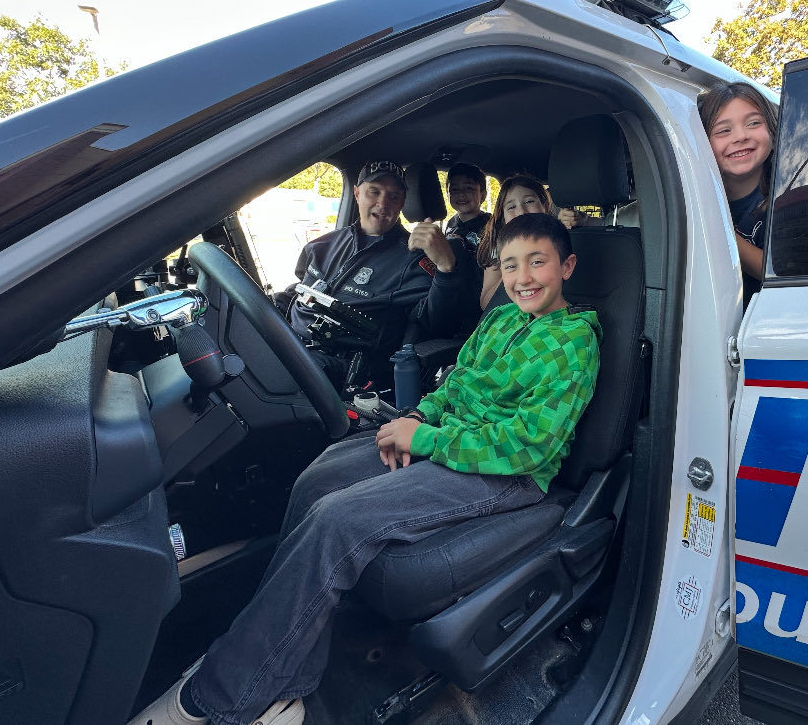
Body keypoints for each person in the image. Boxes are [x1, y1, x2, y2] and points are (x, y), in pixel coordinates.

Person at [131, 213, 601, 725]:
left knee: (339, 521)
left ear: (567, 266)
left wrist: (426, 440)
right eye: (510, 265)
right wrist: (417, 416)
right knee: (316, 479)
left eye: (537, 262)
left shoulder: (574, 341)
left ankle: (222, 696)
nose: (523, 277)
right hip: (450, 440)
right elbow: (459, 382)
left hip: (507, 473)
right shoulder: (502, 318)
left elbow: (529, 445)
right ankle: (282, 679)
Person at [283, 160, 478, 388]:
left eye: (394, 196)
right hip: (291, 344)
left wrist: (446, 268)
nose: (383, 203)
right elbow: (297, 291)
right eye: (374, 192)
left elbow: (439, 325)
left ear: (403, 202)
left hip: (344, 370)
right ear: (357, 194)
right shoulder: (322, 245)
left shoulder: (412, 258)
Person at [698, 82, 777, 305]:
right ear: (702, 143)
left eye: (753, 123)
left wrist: (721, 234)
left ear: (772, 132)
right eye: (724, 130)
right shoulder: (689, 197)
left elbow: (791, 275)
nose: (740, 136)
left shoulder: (791, 201)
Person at [475, 174, 554, 310]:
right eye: (511, 207)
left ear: (545, 206)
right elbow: (486, 303)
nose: (521, 212)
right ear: (503, 216)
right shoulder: (497, 246)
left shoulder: (558, 238)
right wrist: (511, 263)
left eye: (529, 202)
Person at [442, 162, 492, 255]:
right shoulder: (451, 223)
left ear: (482, 195)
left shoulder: (490, 225)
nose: (461, 194)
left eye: (469, 188)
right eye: (454, 189)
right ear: (448, 194)